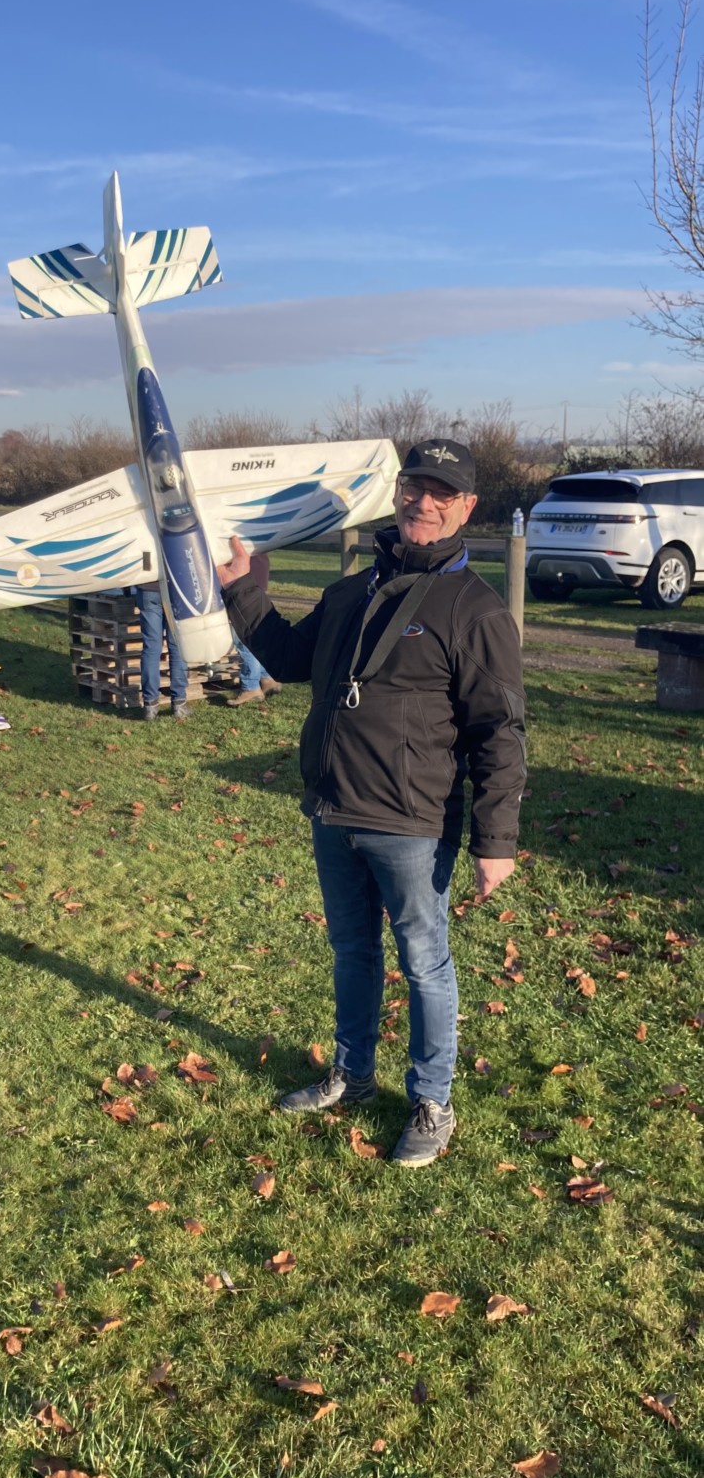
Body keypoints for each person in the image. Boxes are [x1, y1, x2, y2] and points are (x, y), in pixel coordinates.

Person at [216, 440, 525, 1167]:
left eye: (442, 493)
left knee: (424, 964)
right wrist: (243, 592)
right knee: (352, 951)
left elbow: (500, 731)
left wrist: (496, 840)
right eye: (415, 485)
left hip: (412, 824)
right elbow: (291, 660)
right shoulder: (351, 592)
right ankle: (353, 1075)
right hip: (334, 811)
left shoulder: (475, 610)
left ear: (467, 508)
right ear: (397, 491)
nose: (424, 502)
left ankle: (432, 1101)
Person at [227, 552, 282, 707]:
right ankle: (267, 678)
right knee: (255, 632)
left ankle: (250, 687)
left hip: (242, 582)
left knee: (242, 638)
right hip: (258, 579)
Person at [135, 586, 190, 721]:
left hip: (147, 588)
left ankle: (150, 706)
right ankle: (179, 703)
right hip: (175, 588)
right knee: (177, 647)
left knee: (151, 648)